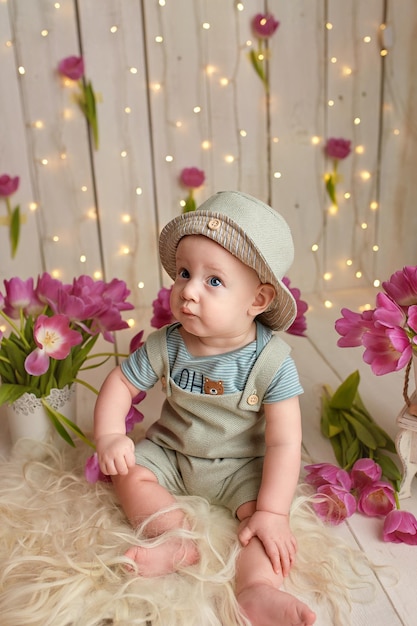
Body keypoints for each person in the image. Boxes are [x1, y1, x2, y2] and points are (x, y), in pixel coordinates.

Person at [94, 191, 316, 626]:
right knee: (129, 472)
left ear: (257, 300)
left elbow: (286, 440)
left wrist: (273, 511)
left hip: (240, 467)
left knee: (260, 527)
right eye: (183, 273)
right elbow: (122, 382)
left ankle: (256, 590)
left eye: (213, 281)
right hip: (173, 454)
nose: (188, 291)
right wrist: (109, 434)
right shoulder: (168, 342)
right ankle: (174, 537)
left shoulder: (271, 362)